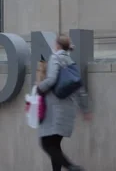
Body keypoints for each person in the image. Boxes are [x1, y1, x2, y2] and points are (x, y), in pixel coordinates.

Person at [36, 35, 91, 171]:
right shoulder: (71, 62)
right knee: (55, 145)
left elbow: (51, 80)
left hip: (55, 110)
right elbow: (80, 89)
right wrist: (85, 109)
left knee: (46, 144)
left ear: (57, 46)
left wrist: (39, 88)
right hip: (68, 110)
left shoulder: (55, 58)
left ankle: (72, 167)